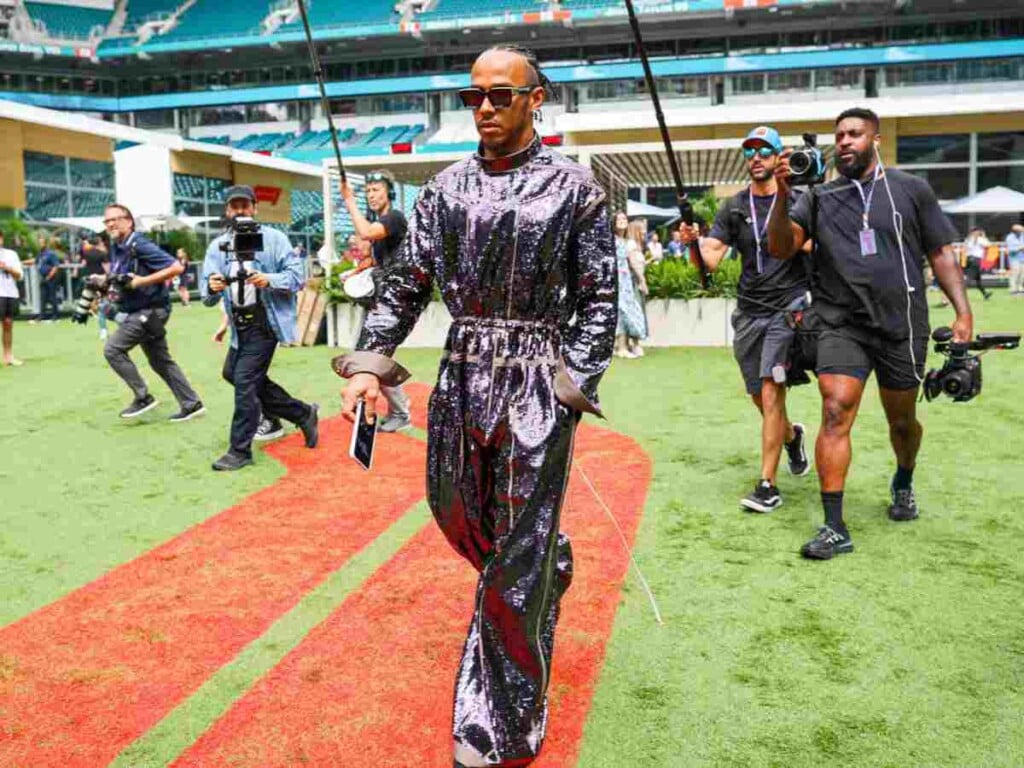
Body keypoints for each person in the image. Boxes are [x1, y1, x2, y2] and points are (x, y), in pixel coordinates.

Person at [335, 45, 616, 768]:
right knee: (457, 512)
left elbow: (599, 302)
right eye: (473, 96)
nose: (484, 107)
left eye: (499, 94)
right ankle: (541, 561)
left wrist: (568, 388)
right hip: (461, 376)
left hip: (536, 379)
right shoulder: (445, 189)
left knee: (514, 560)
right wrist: (370, 368)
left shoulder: (576, 188)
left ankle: (499, 729)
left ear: (536, 99)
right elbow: (404, 286)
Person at [767, 107, 973, 560]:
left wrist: (963, 313)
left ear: (874, 140)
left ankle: (903, 478)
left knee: (901, 421)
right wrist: (782, 195)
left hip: (902, 323)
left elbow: (940, 253)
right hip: (841, 323)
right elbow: (781, 246)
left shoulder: (909, 189)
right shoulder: (818, 198)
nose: (844, 141)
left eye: (855, 134)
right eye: (839, 134)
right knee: (835, 409)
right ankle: (835, 526)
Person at [680, 125, 811, 513]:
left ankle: (768, 484)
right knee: (758, 396)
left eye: (764, 151)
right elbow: (710, 265)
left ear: (778, 157)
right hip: (748, 312)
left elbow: (814, 244)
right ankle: (791, 437)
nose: (756, 157)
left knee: (772, 391)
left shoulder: (799, 200)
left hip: (787, 310)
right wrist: (692, 244)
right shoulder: (734, 207)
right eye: (749, 151)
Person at [202, 185, 320, 471]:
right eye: (234, 206)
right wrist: (212, 285)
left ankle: (239, 451)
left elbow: (296, 279)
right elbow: (206, 294)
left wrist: (267, 279)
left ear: (254, 208)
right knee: (233, 373)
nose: (240, 210)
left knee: (244, 381)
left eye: (245, 205)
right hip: (239, 326)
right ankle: (302, 412)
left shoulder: (275, 239)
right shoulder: (218, 246)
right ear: (227, 211)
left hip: (265, 321)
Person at [102, 203, 206, 422]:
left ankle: (143, 397)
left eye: (115, 219)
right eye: (107, 220)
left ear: (128, 221)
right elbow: (123, 278)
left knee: (113, 349)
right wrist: (103, 282)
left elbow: (176, 267)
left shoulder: (138, 244)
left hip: (150, 311)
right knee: (160, 360)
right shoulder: (117, 247)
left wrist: (142, 281)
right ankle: (191, 403)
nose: (110, 224)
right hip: (142, 310)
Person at [341, 169, 413, 433]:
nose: (371, 195)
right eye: (368, 191)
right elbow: (378, 260)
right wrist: (356, 271)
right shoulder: (383, 222)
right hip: (382, 295)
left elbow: (367, 232)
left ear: (389, 192)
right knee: (370, 355)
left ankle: (401, 412)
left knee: (371, 356)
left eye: (376, 189)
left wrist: (349, 200)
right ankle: (399, 409)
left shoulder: (394, 218)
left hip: (394, 299)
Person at [612, 212, 647, 359]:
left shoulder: (628, 242)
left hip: (625, 281)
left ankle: (631, 344)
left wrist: (641, 280)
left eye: (624, 219)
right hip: (613, 279)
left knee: (628, 309)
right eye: (618, 219)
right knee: (619, 311)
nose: (622, 221)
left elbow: (633, 263)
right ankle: (621, 347)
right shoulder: (609, 240)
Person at [0, 231, 24, 367]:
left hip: (10, 293)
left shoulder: (11, 254)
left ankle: (8, 356)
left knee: (8, 323)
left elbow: (19, 275)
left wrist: (7, 268)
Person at [80, 236, 110, 339]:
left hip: (92, 281)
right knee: (104, 305)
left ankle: (103, 329)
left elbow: (83, 264)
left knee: (99, 304)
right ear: (99, 243)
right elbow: (108, 271)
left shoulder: (87, 254)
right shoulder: (103, 254)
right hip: (103, 281)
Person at [962, 227, 992, 300]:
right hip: (975, 260)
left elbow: (965, 249)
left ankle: (985, 294)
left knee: (978, 279)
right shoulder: (979, 239)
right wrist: (984, 236)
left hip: (969, 259)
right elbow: (989, 245)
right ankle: (960, 294)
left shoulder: (968, 239)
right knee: (969, 278)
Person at [37, 236, 62, 322]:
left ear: (45, 243)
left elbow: (56, 266)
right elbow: (35, 261)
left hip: (51, 278)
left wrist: (49, 276)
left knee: (52, 297)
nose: (40, 244)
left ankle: (55, 316)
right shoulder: (40, 254)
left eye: (42, 242)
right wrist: (21, 262)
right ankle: (42, 316)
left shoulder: (51, 253)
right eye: (39, 242)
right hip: (43, 277)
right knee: (43, 297)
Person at [1007, 223, 1024, 295]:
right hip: (1014, 259)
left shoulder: (1022, 236)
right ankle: (1013, 289)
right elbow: (1011, 249)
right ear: (1015, 231)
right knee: (1015, 274)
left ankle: (1020, 289)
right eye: (1020, 230)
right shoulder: (1010, 237)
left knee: (1022, 274)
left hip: (1022, 258)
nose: (1022, 232)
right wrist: (1020, 248)